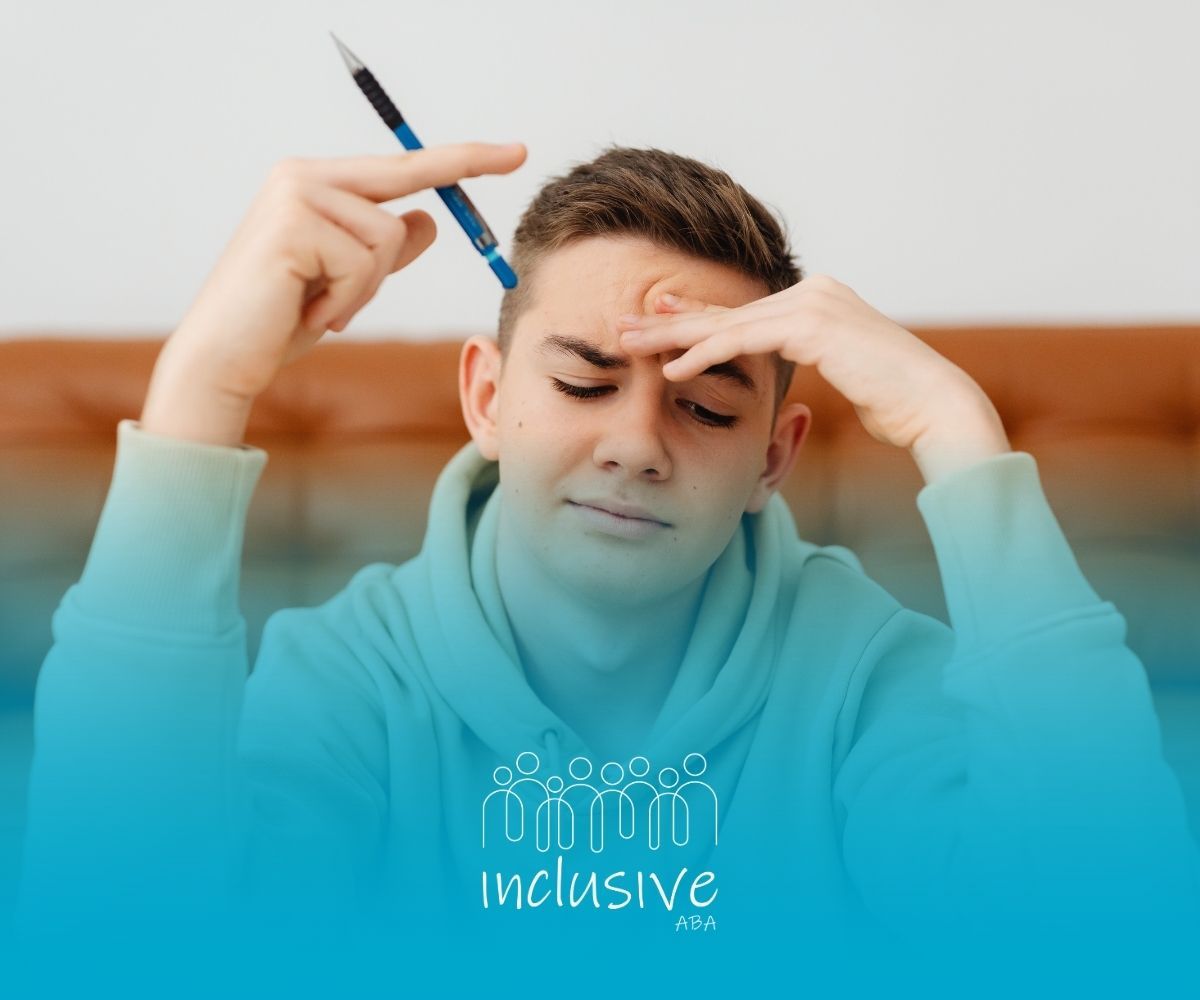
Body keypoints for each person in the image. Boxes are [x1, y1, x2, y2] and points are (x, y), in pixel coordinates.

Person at [18, 141, 1200, 978]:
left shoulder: (868, 671)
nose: (634, 444)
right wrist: (200, 393)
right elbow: (119, 935)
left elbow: (1112, 932)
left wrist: (958, 430)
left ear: (778, 457)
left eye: (706, 407)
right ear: (487, 398)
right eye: (583, 381)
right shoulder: (348, 673)